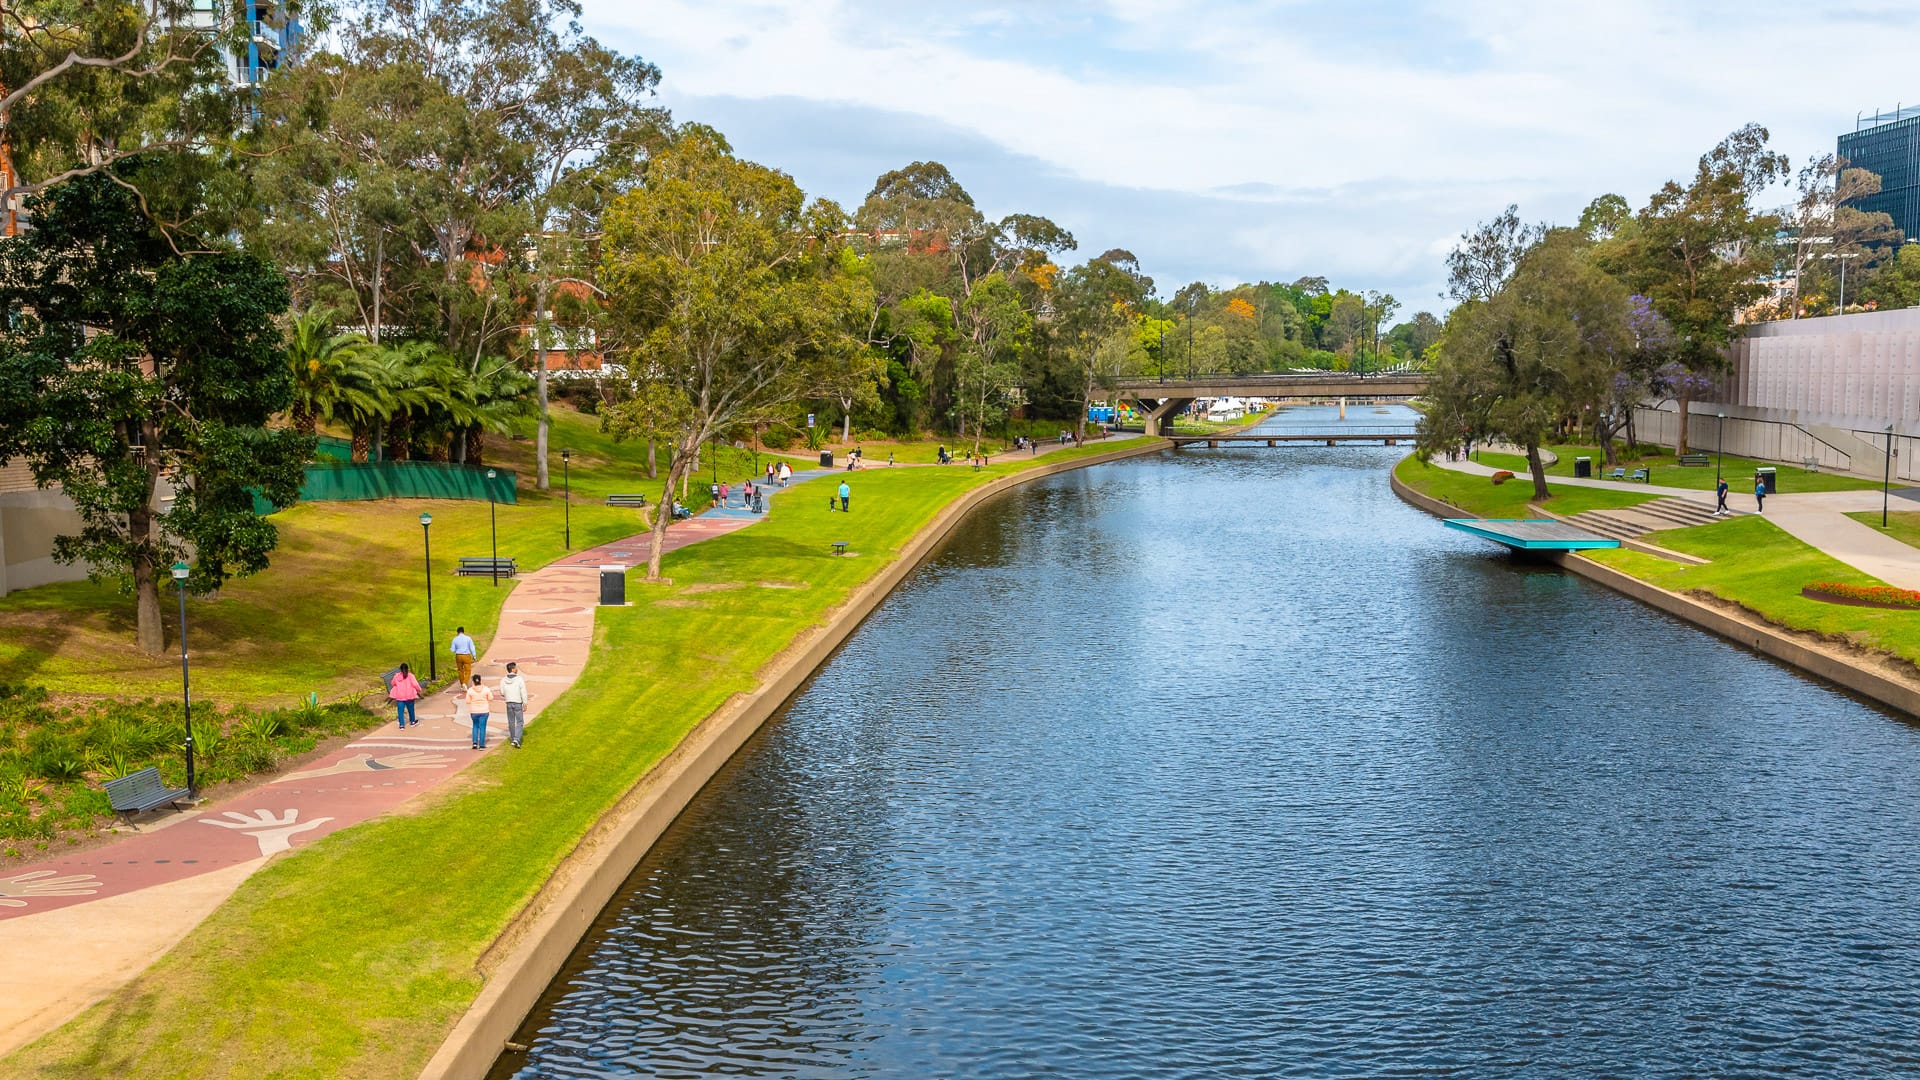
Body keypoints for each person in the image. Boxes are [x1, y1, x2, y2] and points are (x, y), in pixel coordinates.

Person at [500, 662, 530, 749]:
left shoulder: (503, 680)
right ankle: (516, 739)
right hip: (517, 702)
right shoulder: (519, 679)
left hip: (509, 702)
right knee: (520, 722)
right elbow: (523, 691)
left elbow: (502, 693)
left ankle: (513, 738)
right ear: (512, 669)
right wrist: (525, 703)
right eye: (516, 668)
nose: (517, 669)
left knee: (511, 722)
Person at [464, 675, 494, 750]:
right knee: (482, 727)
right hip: (484, 710)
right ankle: (481, 744)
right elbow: (491, 698)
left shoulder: (470, 690)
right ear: (480, 680)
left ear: (473, 682)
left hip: (474, 711)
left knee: (475, 726)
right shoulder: (486, 689)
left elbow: (467, 701)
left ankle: (474, 742)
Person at [389, 662, 422, 728]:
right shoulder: (411, 676)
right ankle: (412, 721)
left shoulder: (397, 676)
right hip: (409, 695)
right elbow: (415, 684)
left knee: (400, 711)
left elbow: (393, 683)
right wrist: (419, 689)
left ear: (400, 669)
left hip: (400, 696)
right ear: (407, 669)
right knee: (411, 709)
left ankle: (401, 725)